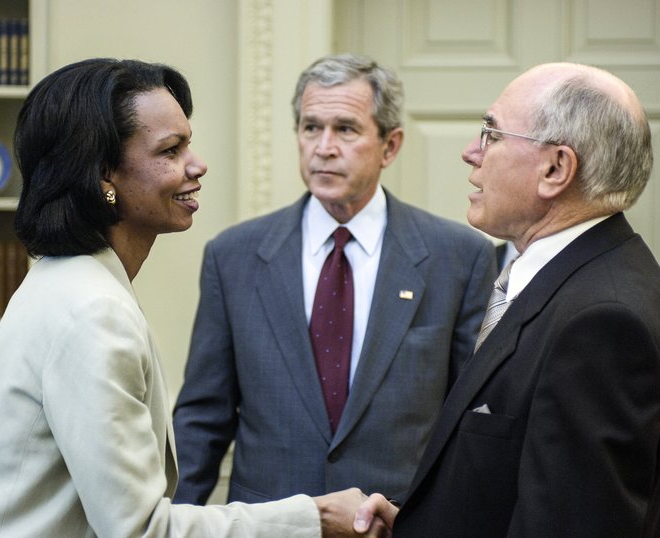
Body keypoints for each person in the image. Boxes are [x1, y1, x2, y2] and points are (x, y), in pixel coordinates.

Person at [0, 58, 388, 538]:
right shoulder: (93, 310)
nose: (198, 164)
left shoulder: (72, 283)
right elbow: (140, 531)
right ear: (103, 176)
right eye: (171, 150)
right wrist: (314, 519)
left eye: (187, 143)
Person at [354, 62, 660, 536]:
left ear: (555, 168)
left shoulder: (601, 322)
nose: (471, 153)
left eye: (491, 133)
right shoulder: (567, 278)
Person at [171, 53, 496, 506]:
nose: (324, 146)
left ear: (391, 145)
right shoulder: (234, 257)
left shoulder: (460, 258)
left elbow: (469, 423)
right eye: (310, 127)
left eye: (345, 128)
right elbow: (203, 419)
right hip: (270, 527)